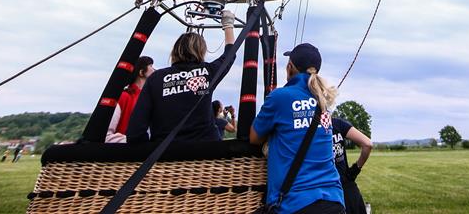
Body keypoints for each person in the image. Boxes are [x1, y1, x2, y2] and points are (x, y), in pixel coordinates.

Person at [250, 43, 344, 214]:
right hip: (334, 201)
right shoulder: (322, 101)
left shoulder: (280, 97)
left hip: (295, 203)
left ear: (290, 66)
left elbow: (254, 137)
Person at [127, 12, 235, 143]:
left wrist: (149, 150)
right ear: (201, 51)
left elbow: (135, 131)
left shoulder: (156, 78)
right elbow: (230, 55)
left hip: (164, 157)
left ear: (175, 51)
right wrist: (228, 25)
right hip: (206, 154)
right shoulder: (207, 72)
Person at [106, 55, 155, 143]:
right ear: (141, 72)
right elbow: (106, 135)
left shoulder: (152, 99)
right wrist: (134, 141)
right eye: (151, 66)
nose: (154, 70)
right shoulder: (123, 97)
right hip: (124, 153)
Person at [331, 117, 372, 214]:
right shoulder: (336, 123)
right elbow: (367, 144)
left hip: (321, 187)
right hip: (345, 183)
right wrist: (356, 169)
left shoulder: (304, 128)